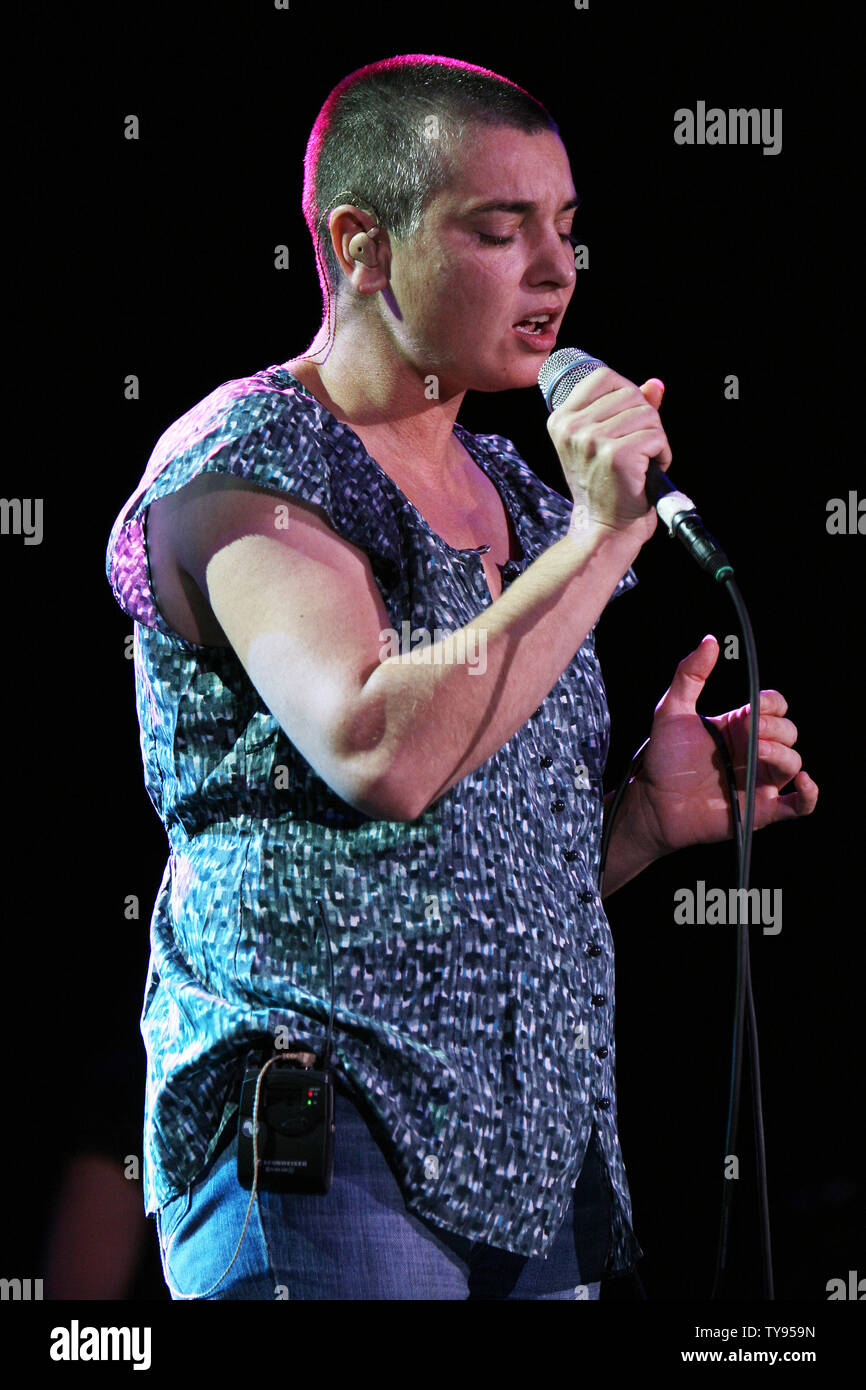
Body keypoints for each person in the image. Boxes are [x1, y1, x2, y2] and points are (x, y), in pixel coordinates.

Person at [105, 54, 818, 1301]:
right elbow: (378, 751)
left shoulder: (530, 506)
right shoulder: (248, 460)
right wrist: (604, 539)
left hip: (533, 1168)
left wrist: (640, 822)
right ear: (361, 245)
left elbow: (464, 869)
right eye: (501, 228)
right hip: (327, 1151)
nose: (556, 269)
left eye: (565, 228)